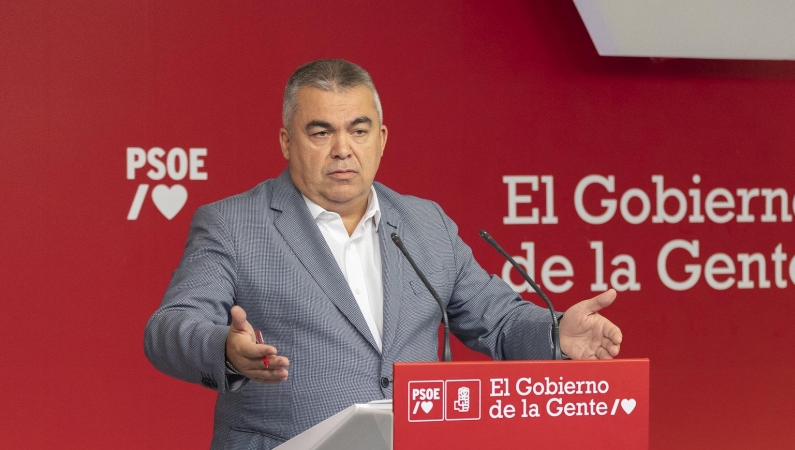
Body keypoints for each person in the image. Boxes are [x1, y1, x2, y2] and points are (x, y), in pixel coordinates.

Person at [144, 59, 622, 449]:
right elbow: (168, 326)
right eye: (320, 132)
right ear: (287, 142)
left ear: (382, 139)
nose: (342, 149)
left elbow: (497, 319)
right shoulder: (233, 224)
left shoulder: (424, 223)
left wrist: (556, 333)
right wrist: (226, 351)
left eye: (358, 130)